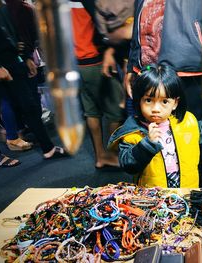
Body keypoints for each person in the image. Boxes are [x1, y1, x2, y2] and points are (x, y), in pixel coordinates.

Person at [108, 64, 202, 188]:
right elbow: (128, 165)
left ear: (175, 103)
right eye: (148, 100)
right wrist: (147, 144)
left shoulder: (188, 121)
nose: (156, 109)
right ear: (138, 101)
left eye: (164, 101)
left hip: (187, 187)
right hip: (153, 193)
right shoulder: (133, 133)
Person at [0, 4, 67, 161]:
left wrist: (26, 57)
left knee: (30, 105)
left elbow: (13, 35)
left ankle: (48, 148)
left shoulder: (2, 7)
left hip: (12, 62)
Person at [70, 0, 126, 169]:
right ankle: (110, 155)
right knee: (115, 111)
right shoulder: (91, 3)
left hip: (78, 64)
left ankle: (100, 157)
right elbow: (106, 30)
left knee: (91, 111)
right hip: (97, 62)